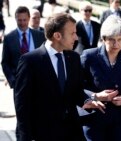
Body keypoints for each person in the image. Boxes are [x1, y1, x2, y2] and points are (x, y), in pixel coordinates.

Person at [14, 12, 105, 141]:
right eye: (72, 33)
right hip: (42, 134)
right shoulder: (30, 61)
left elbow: (77, 90)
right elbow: (22, 105)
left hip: (72, 132)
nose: (76, 38)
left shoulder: (73, 58)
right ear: (57, 35)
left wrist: (86, 101)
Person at [81, 15, 121, 141]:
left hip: (120, 120)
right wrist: (94, 96)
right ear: (103, 39)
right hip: (94, 119)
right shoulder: (89, 56)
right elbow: (77, 86)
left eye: (120, 39)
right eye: (112, 40)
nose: (116, 44)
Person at [1, 6, 45, 89]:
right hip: (19, 84)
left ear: (28, 18)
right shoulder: (9, 38)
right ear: (15, 19)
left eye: (24, 20)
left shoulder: (40, 36)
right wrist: (12, 81)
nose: (22, 23)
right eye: (19, 20)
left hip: (38, 83)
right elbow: (5, 62)